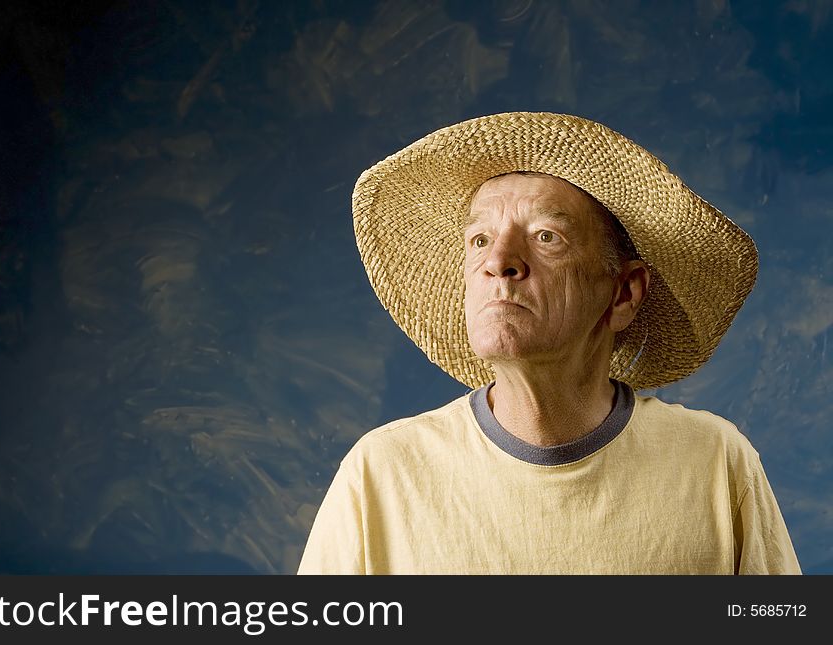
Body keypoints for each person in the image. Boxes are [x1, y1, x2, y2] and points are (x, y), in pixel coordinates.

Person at [297, 112, 801, 574]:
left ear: (624, 293)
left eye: (545, 237)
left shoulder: (715, 461)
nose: (500, 260)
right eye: (479, 240)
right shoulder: (382, 473)